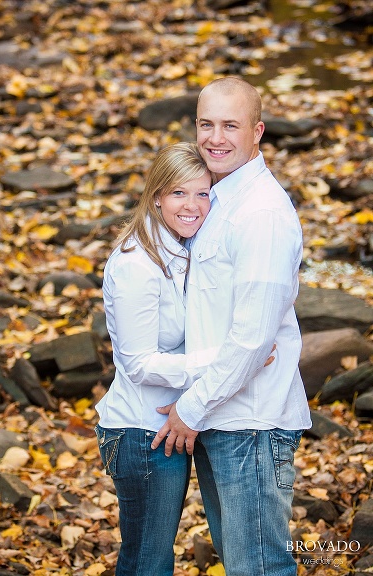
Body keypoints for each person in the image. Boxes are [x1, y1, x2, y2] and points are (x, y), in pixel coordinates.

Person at [151, 77, 312, 576]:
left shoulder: (261, 214)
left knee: (258, 567)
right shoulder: (217, 199)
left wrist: (189, 410)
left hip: (252, 424)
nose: (215, 137)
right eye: (206, 124)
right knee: (241, 563)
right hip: (222, 415)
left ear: (258, 131)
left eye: (230, 125)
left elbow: (251, 339)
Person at [94, 142, 212, 576]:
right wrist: (224, 361)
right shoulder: (136, 263)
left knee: (149, 559)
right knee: (149, 564)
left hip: (163, 430)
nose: (193, 205)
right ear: (157, 195)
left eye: (203, 193)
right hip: (141, 435)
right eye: (180, 193)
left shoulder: (179, 249)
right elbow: (139, 363)